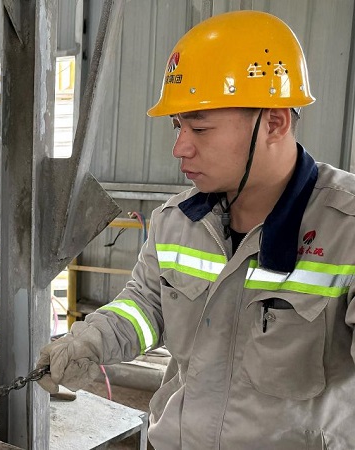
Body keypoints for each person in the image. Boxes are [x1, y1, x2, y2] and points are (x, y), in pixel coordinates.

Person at [37, 10, 355, 449]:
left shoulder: (345, 230)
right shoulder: (178, 221)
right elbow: (146, 307)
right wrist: (91, 340)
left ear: (275, 123)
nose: (179, 148)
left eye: (200, 128)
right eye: (178, 126)